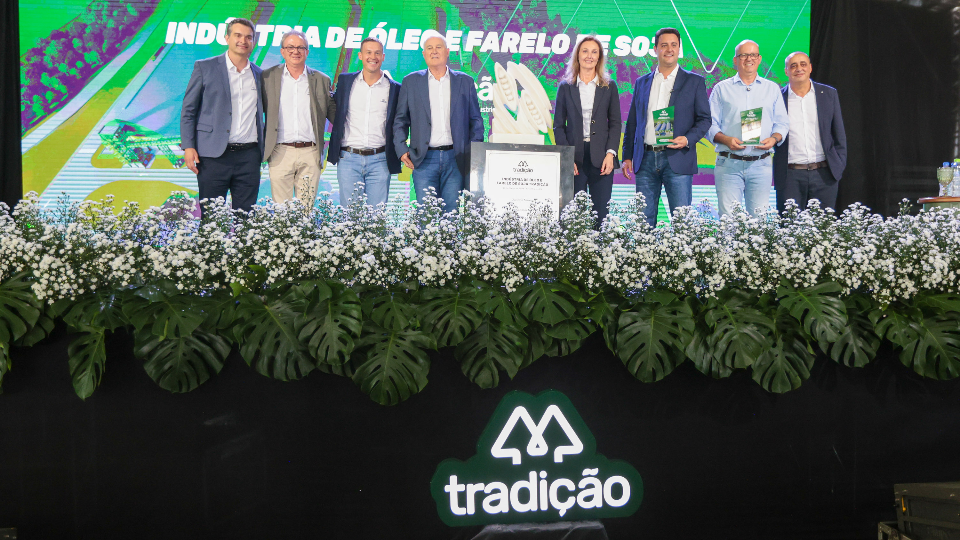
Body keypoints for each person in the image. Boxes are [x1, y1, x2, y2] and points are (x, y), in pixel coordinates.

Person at [622, 27, 711, 227]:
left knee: (682, 223)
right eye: (664, 45)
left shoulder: (694, 82)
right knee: (643, 223)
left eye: (673, 45)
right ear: (655, 49)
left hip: (678, 158)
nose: (669, 49)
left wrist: (687, 139)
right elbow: (633, 122)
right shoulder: (641, 82)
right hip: (645, 159)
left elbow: (705, 119)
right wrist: (627, 156)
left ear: (679, 49)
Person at [393, 30, 484, 214]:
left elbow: (476, 121)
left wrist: (472, 153)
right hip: (423, 158)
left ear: (447, 51)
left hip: (456, 158)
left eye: (438, 47)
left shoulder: (465, 81)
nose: (434, 51)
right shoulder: (411, 81)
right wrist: (401, 149)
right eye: (429, 48)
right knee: (425, 214)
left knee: (451, 213)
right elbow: (400, 120)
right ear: (424, 54)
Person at [180, 17, 264, 214]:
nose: (243, 40)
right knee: (211, 218)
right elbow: (189, 110)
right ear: (227, 38)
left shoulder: (260, 75)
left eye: (249, 37)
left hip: (249, 156)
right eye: (238, 35)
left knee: (246, 218)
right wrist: (188, 146)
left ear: (253, 42)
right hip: (212, 155)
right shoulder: (205, 67)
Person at [707, 40, 789, 217]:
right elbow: (709, 124)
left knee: (759, 220)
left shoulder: (772, 89)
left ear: (759, 59)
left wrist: (774, 139)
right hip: (728, 163)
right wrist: (726, 140)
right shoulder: (721, 89)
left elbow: (782, 123)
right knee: (728, 220)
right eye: (743, 55)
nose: (749, 59)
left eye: (753, 55)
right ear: (735, 60)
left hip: (761, 163)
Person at [553, 35, 622, 226]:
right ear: (577, 55)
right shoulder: (566, 87)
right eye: (585, 51)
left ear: (599, 57)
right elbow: (559, 126)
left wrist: (611, 153)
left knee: (601, 215)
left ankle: (599, 246)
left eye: (594, 52)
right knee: (573, 216)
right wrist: (566, 157)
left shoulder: (609, 86)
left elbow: (615, 123)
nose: (589, 56)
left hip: (602, 158)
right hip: (574, 160)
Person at [262, 30, 336, 203]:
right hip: (280, 151)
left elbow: (334, 114)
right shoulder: (267, 77)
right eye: (290, 47)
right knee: (282, 211)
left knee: (306, 211)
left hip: (310, 151)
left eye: (300, 47)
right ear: (282, 51)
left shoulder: (322, 80)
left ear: (307, 52)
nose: (295, 51)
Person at [328, 37, 402, 206]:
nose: (373, 57)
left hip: (380, 160)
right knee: (349, 215)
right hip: (348, 158)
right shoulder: (345, 82)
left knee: (377, 216)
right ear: (360, 55)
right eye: (368, 52)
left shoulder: (395, 88)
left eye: (377, 53)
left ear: (383, 57)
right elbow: (334, 110)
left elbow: (400, 122)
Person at [772, 52, 847, 213]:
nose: (799, 69)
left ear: (810, 68)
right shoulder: (777, 98)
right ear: (786, 71)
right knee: (789, 226)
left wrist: (838, 165)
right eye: (793, 65)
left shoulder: (829, 94)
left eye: (803, 64)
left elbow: (839, 134)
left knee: (823, 227)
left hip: (824, 175)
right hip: (789, 176)